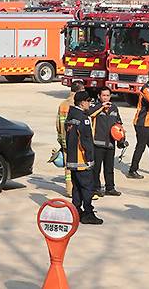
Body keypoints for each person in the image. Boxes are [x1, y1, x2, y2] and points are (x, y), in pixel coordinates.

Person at [65, 91, 102, 225]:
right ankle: (88, 213)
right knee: (87, 187)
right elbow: (85, 140)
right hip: (82, 160)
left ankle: (76, 211)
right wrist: (90, 158)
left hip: (72, 159)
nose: (89, 103)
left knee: (77, 187)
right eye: (88, 101)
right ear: (82, 102)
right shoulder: (83, 118)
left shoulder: (70, 116)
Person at [89, 87, 123, 197]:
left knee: (109, 168)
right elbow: (89, 113)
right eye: (103, 95)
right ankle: (96, 188)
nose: (106, 97)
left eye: (108, 95)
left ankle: (110, 188)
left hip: (110, 143)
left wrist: (121, 139)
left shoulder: (114, 108)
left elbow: (119, 124)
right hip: (98, 143)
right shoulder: (96, 107)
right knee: (96, 168)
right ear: (99, 96)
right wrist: (101, 106)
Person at [56, 80, 85, 196]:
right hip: (77, 141)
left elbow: (58, 124)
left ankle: (69, 190)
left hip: (65, 140)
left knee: (68, 167)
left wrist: (60, 138)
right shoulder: (79, 105)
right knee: (80, 165)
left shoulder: (63, 104)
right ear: (80, 90)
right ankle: (80, 189)